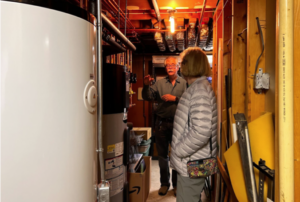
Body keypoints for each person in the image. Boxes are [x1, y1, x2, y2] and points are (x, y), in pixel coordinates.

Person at [170, 47, 218, 202]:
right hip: (194, 160)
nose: (180, 66)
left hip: (192, 163)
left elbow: (201, 131)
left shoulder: (199, 90)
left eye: (183, 63)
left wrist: (178, 150)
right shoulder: (198, 87)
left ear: (190, 65)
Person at [142, 56, 187, 196]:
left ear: (178, 67)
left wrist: (176, 99)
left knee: (177, 156)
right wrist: (145, 85)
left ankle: (176, 186)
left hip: (179, 124)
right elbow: (148, 97)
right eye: (167, 65)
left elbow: (191, 101)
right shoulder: (159, 83)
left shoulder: (185, 83)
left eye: (173, 64)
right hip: (161, 124)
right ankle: (164, 184)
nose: (170, 67)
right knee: (162, 156)